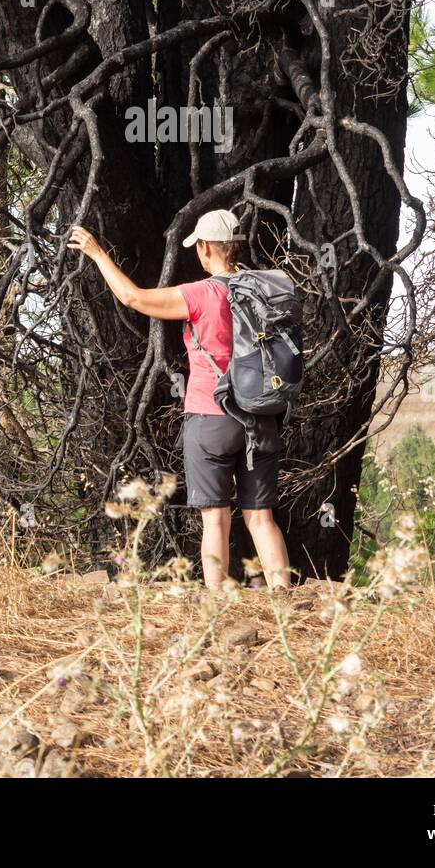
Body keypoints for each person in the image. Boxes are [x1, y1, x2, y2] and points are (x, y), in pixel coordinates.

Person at [68, 210, 291, 590]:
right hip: (261, 413)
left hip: (210, 416)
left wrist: (97, 253)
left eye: (198, 247)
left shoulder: (201, 294)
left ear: (206, 248)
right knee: (261, 517)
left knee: (215, 519)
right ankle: (285, 601)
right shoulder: (262, 290)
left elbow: (131, 297)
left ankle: (217, 604)